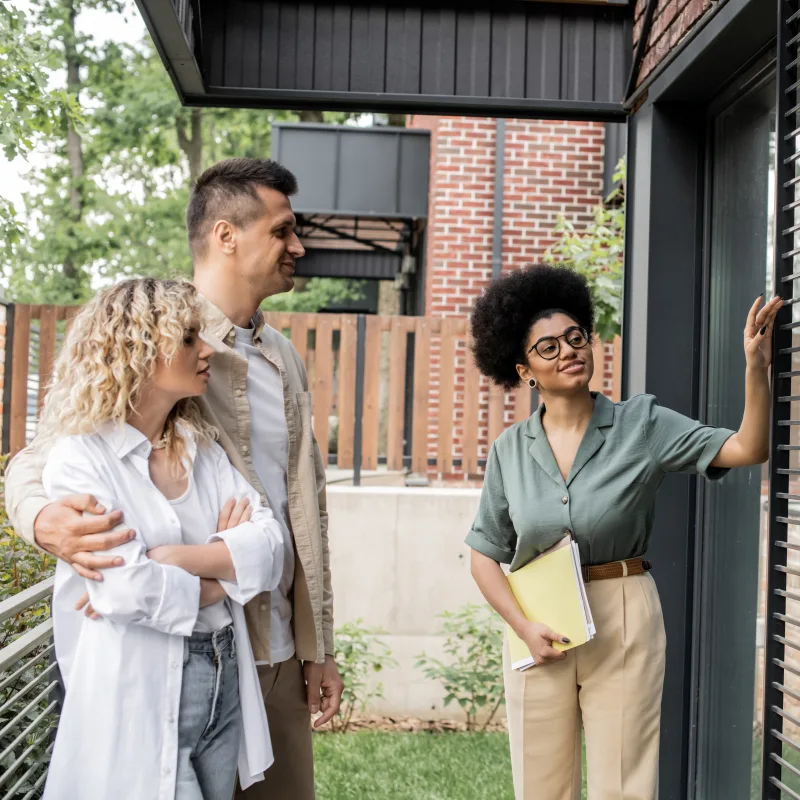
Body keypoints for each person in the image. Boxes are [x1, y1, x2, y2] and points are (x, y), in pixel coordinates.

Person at [5, 158, 344, 800]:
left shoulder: (282, 358)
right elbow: (43, 456)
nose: (299, 247)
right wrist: (43, 519)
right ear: (226, 236)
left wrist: (318, 643)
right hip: (172, 652)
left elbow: (304, 515)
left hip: (273, 647)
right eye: (283, 231)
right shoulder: (157, 342)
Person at [465, 264, 781, 800]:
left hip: (624, 613)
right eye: (548, 348)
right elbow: (483, 554)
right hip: (538, 623)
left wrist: (756, 368)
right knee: (540, 784)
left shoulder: (643, 424)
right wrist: (522, 625)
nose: (569, 350)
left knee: (623, 782)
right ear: (523, 371)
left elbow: (747, 448)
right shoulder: (510, 449)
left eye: (575, 336)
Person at [38, 278, 285, 799]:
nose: (209, 350)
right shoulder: (81, 459)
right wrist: (221, 567)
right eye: (191, 338)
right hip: (140, 684)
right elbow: (127, 588)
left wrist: (172, 558)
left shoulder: (201, 449)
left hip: (224, 673)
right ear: (140, 350)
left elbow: (270, 546)